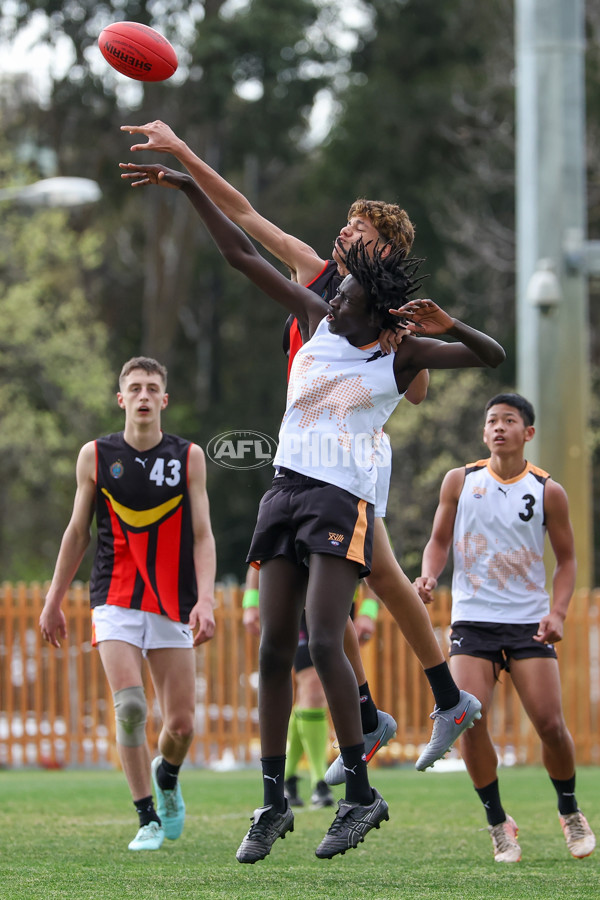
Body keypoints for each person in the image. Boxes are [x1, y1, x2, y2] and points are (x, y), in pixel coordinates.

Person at [120, 160, 505, 862]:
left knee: (327, 640)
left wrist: (454, 323)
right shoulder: (313, 314)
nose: (329, 293)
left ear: (372, 301)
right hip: (283, 491)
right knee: (273, 648)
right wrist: (186, 188)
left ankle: (361, 793)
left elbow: (490, 355)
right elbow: (240, 251)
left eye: (345, 288)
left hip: (341, 497)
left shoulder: (398, 354)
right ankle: (271, 803)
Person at [39, 357, 217, 851]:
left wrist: (206, 599)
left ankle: (168, 778)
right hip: (114, 597)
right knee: (132, 706)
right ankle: (147, 819)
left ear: (164, 400)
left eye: (151, 388)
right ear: (121, 399)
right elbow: (77, 533)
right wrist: (54, 599)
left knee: (180, 726)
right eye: (134, 388)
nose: (142, 396)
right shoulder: (95, 455)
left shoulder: (189, 457)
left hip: (171, 602)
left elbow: (203, 535)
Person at [414, 393, 596, 863]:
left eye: (508, 420)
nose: (498, 427)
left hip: (526, 626)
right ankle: (498, 822)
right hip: (472, 623)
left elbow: (568, 561)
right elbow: (438, 542)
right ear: (484, 432)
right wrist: (429, 575)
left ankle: (570, 811)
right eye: (491, 420)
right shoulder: (459, 481)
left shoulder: (547, 490)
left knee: (551, 726)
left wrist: (557, 613)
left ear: (527, 433)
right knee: (469, 725)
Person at [243, 566, 379, 809]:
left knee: (308, 696)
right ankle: (320, 780)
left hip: (339, 599)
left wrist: (368, 612)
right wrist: (251, 602)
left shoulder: (365, 525)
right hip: (297, 601)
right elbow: (260, 555)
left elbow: (376, 565)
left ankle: (289, 779)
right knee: (313, 687)